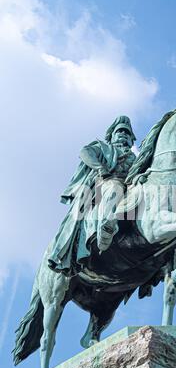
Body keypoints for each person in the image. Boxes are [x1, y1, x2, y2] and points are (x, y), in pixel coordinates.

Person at [48, 116, 136, 275]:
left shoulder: (136, 158)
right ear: (112, 136)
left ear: (131, 140)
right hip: (103, 185)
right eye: (119, 131)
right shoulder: (102, 147)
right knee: (115, 187)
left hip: (130, 188)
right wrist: (101, 168)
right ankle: (106, 229)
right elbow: (85, 152)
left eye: (127, 132)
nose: (123, 134)